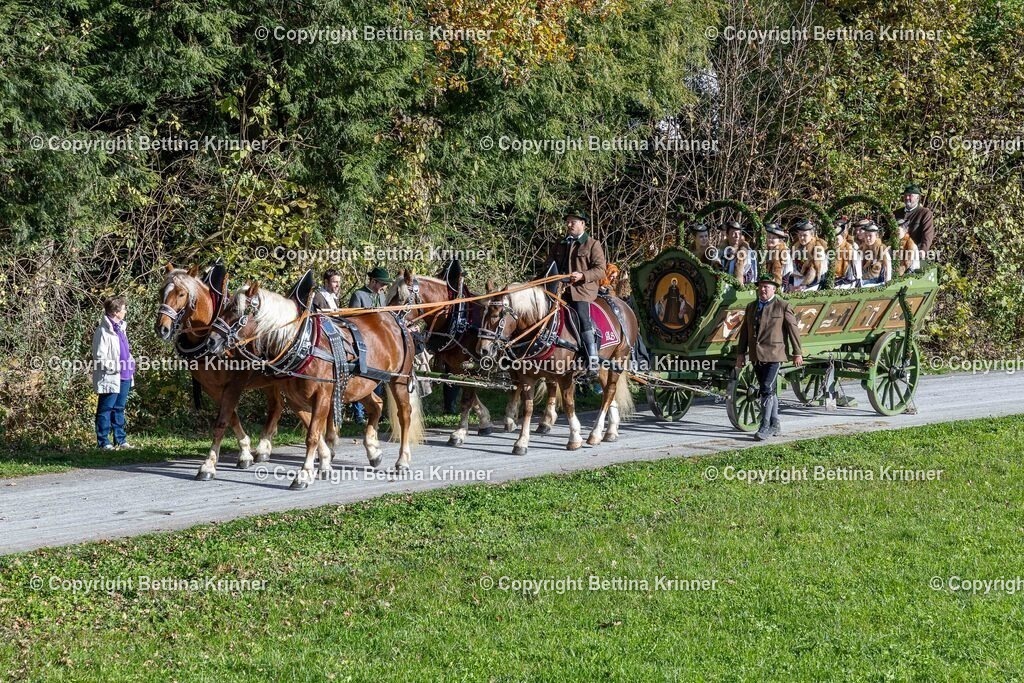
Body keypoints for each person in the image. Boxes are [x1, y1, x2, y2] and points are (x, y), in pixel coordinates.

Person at [734, 274, 803, 441]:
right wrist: (740, 354)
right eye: (760, 286)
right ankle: (775, 423)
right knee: (769, 391)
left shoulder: (783, 306)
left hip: (774, 355)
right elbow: (745, 332)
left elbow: (793, 330)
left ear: (774, 289)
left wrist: (797, 352)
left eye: (766, 286)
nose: (762, 289)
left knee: (765, 388)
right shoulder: (751, 307)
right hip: (756, 355)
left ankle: (764, 426)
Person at [545, 208, 607, 380]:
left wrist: (582, 275)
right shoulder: (560, 244)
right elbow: (548, 267)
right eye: (568, 221)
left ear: (583, 224)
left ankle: (592, 360)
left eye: (573, 221)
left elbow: (601, 270)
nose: (569, 224)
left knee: (581, 315)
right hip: (559, 290)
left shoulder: (593, 244)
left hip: (582, 291)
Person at [347, 267, 393, 424]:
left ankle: (374, 412)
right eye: (382, 284)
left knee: (377, 375)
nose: (384, 287)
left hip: (377, 341)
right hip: (361, 340)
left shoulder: (382, 296)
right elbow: (351, 319)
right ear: (373, 281)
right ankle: (358, 414)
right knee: (360, 374)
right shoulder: (358, 295)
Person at [92, 297, 135, 450]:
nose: (125, 311)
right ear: (116, 312)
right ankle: (103, 442)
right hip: (111, 376)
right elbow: (99, 356)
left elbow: (125, 351)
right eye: (123, 309)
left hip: (125, 376)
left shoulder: (121, 328)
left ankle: (120, 440)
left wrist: (131, 362)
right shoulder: (103, 331)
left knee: (119, 408)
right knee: (105, 409)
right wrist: (114, 368)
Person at [786, 219, 828, 291]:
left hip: (811, 284)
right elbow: (791, 270)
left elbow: (820, 275)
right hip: (795, 282)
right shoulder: (795, 248)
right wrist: (790, 285)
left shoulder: (818, 249)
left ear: (812, 235)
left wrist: (803, 286)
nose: (801, 238)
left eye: (805, 235)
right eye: (800, 235)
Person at [893, 182, 935, 254]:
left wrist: (923, 250)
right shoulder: (896, 213)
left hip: (915, 252)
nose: (907, 198)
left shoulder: (925, 213)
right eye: (905, 195)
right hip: (896, 252)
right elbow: (889, 233)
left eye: (910, 195)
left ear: (918, 198)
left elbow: (928, 234)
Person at [856, 220, 892, 286]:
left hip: (877, 281)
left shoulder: (882, 249)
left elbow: (888, 268)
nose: (868, 238)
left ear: (876, 236)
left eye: (870, 236)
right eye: (866, 236)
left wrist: (887, 284)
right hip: (863, 279)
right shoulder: (861, 249)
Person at [720, 221, 756, 285]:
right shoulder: (720, 252)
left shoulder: (748, 252)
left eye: (739, 233)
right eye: (733, 233)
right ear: (727, 235)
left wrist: (741, 280)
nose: (737, 236)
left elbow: (752, 274)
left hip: (741, 289)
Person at [833, 216, 860, 287]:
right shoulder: (832, 243)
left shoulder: (853, 244)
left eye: (842, 226)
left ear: (847, 228)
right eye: (837, 226)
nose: (840, 228)